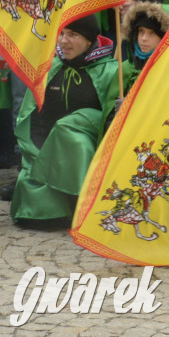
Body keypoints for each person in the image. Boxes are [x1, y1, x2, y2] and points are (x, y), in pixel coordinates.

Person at [9, 15, 120, 226]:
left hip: (88, 157)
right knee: (34, 214)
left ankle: (83, 198)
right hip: (46, 154)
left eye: (73, 35)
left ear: (89, 40)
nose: (63, 41)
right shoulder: (50, 66)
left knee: (73, 136)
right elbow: (33, 118)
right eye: (61, 34)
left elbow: (110, 127)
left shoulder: (110, 71)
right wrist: (39, 157)